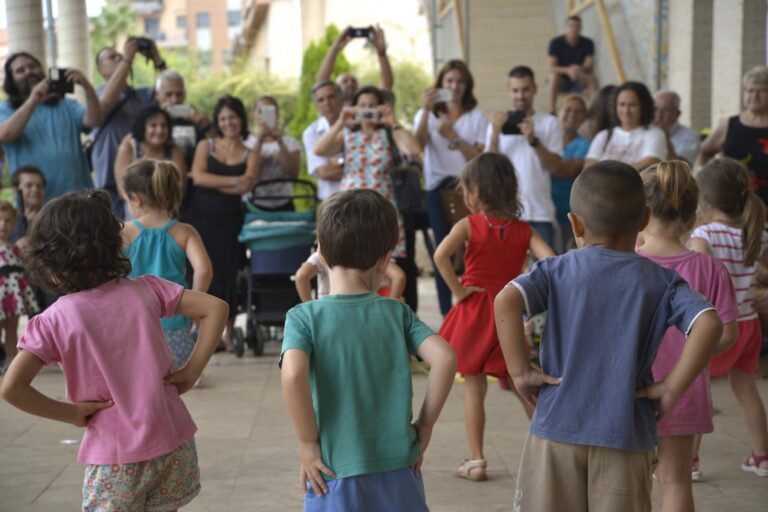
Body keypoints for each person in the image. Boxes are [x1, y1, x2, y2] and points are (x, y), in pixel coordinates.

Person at [494, 160, 723, 512]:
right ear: (644, 218)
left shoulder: (555, 270)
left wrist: (521, 372)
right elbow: (709, 323)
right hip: (626, 433)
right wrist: (671, 389)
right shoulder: (662, 281)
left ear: (575, 223)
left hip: (556, 427)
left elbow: (506, 300)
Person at [0, 190, 228, 511]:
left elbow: (12, 388)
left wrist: (71, 413)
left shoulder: (56, 319)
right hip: (173, 443)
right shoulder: (147, 289)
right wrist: (192, 370)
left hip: (115, 458)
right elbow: (216, 308)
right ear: (115, 243)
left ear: (50, 259)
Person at [280, 189, 456, 510]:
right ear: (384, 260)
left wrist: (307, 443)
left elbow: (293, 374)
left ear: (322, 256)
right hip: (400, 466)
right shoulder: (397, 313)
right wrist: (425, 424)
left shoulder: (303, 317)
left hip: (334, 470)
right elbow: (445, 358)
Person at [434, 153, 554, 481]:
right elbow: (551, 261)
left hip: (474, 312)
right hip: (507, 314)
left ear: (477, 190)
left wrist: (458, 290)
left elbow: (440, 255)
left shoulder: (469, 225)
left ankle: (476, 460)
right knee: (521, 384)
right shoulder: (524, 231)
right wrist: (527, 286)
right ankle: (551, 447)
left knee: (474, 387)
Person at [635, 161, 738, 510]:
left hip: (630, 391)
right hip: (686, 391)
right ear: (693, 216)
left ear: (641, 214)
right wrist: (691, 354)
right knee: (676, 480)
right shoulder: (710, 268)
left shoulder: (626, 263)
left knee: (625, 482)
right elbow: (727, 335)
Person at [689, 158, 768, 478]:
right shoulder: (757, 233)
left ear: (704, 201)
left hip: (716, 328)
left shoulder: (704, 235)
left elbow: (699, 284)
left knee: (698, 390)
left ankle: (690, 461)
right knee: (747, 390)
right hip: (748, 324)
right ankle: (762, 456)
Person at [122, 159, 213, 369]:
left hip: (133, 326)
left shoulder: (123, 233)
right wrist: (194, 308)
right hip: (175, 325)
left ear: (136, 199)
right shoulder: (184, 232)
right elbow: (204, 270)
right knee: (172, 380)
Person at [314, 85, 422, 259]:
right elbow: (319, 150)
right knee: (352, 255)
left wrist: (393, 121)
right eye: (362, 105)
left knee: (385, 257)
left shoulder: (389, 133)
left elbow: (414, 149)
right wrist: (341, 122)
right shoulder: (348, 134)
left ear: (380, 107)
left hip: (383, 204)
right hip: (351, 205)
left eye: (372, 105)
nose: (367, 109)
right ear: (355, 108)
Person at [187, 95, 260, 351]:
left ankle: (228, 335)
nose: (229, 123)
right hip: (201, 218)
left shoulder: (251, 152)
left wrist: (215, 181)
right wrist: (233, 182)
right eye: (223, 118)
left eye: (233, 117)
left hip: (231, 221)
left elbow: (248, 184)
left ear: (241, 119)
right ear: (217, 121)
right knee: (201, 273)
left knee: (229, 275)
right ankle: (202, 333)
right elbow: (198, 177)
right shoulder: (206, 145)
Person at [415, 59, 487, 316]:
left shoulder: (476, 116)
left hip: (468, 187)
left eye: (460, 81)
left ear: (467, 86)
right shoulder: (428, 114)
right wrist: (426, 110)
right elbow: (417, 146)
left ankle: (474, 307)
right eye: (449, 81)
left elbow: (479, 157)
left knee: (473, 247)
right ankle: (448, 312)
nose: (455, 87)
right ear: (440, 84)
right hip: (436, 187)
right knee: (442, 250)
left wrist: (453, 137)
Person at [0, 52, 103, 200]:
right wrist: (34, 99)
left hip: (78, 198)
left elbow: (95, 121)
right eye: (20, 70)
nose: (28, 72)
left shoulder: (65, 104)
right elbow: (4, 135)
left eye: (32, 66)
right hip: (35, 202)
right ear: (11, 80)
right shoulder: (5, 109)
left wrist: (87, 87)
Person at [487, 66, 563, 247]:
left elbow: (555, 167)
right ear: (509, 92)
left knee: (543, 265)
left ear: (535, 89)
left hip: (540, 212)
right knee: (506, 265)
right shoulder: (497, 124)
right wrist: (495, 133)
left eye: (525, 89)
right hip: (505, 211)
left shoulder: (550, 122)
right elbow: (488, 169)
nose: (520, 95)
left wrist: (533, 140)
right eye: (515, 90)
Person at [92, 37, 166, 217]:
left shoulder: (142, 96)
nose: (119, 58)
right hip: (109, 184)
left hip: (141, 184)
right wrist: (128, 58)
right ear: (101, 70)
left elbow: (169, 92)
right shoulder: (98, 94)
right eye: (112, 57)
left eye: (120, 55)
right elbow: (106, 103)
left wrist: (157, 59)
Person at [698, 66, 768, 205]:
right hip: (733, 201)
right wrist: (708, 181)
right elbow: (705, 151)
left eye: (761, 91)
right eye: (750, 90)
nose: (754, 96)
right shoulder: (730, 124)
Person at [585, 81, 667, 170]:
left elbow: (650, 162)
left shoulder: (654, 134)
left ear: (644, 106)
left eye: (633, 105)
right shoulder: (603, 135)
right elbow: (589, 166)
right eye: (622, 104)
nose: (626, 110)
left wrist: (610, 175)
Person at [114, 106, 188, 201]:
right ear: (143, 128)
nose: (159, 130)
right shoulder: (129, 148)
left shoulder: (175, 151)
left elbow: (180, 188)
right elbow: (122, 190)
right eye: (153, 125)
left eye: (164, 126)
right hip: (135, 205)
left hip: (166, 206)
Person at [0, 201, 39, 373]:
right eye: (0, 220)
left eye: (8, 220)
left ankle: (11, 362)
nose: (3, 224)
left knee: (12, 328)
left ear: (14, 224)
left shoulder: (16, 247)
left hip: (14, 293)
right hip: (1, 292)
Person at [244, 96, 302, 211]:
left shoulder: (291, 143)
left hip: (285, 204)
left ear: (277, 115)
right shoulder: (246, 143)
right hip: (254, 204)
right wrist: (259, 141)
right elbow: (249, 175)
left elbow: (293, 174)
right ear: (253, 114)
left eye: (270, 111)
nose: (264, 116)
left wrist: (280, 142)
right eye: (260, 111)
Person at [316, 25, 393, 104]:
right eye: (344, 81)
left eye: (354, 81)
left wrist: (381, 52)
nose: (350, 83)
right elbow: (321, 82)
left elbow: (386, 84)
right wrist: (334, 48)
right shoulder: (332, 107)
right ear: (336, 88)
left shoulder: (368, 104)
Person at [552, 94, 590, 251]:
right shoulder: (548, 140)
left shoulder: (585, 144)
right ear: (559, 112)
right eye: (568, 110)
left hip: (569, 212)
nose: (572, 115)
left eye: (578, 111)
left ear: (584, 118)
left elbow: (568, 170)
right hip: (544, 210)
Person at [295, 249, 406, 302]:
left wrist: (309, 307)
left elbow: (301, 276)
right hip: (366, 306)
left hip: (325, 308)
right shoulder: (368, 252)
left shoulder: (319, 255)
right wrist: (393, 305)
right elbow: (399, 276)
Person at [155, 70, 213, 168]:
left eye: (179, 94)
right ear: (157, 95)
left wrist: (206, 126)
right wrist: (160, 117)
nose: (175, 100)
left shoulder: (194, 118)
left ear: (185, 95)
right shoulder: (149, 121)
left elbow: (216, 149)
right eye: (168, 94)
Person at [303, 81, 344, 200]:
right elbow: (324, 173)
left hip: (362, 196)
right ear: (316, 105)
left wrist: (337, 164)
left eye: (331, 97)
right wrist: (356, 165)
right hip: (331, 200)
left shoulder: (357, 125)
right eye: (321, 100)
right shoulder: (311, 132)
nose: (327, 103)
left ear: (341, 99)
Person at [547, 15, 597, 113]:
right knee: (553, 76)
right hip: (562, 80)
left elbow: (589, 63)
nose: (574, 29)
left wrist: (578, 69)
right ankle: (552, 110)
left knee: (591, 76)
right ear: (566, 27)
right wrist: (568, 70)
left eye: (576, 26)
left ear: (580, 28)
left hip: (580, 78)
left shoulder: (588, 42)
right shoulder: (555, 42)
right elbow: (552, 67)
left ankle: (595, 109)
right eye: (571, 26)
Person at [654, 90, 701, 165]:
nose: (658, 115)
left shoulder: (690, 137)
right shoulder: (645, 131)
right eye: (655, 109)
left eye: (666, 110)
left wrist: (665, 136)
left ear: (677, 114)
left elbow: (679, 168)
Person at [10, 165, 46, 243]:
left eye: (39, 186)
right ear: (15, 190)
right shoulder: (6, 219)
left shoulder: (52, 219)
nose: (35, 189)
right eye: (29, 185)